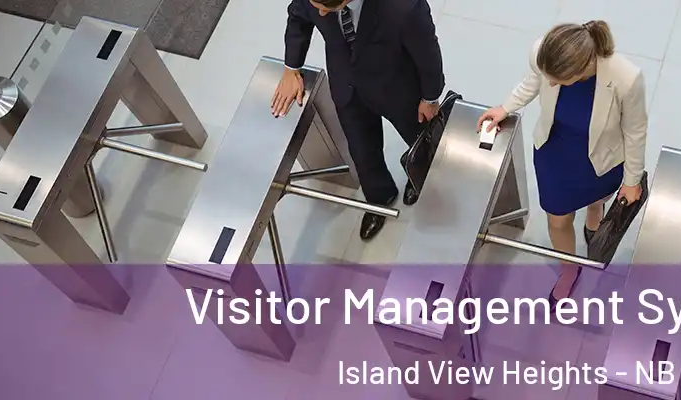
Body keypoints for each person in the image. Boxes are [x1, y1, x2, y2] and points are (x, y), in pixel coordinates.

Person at [477, 21, 647, 304]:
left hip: (601, 159)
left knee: (598, 199)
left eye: (558, 80)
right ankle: (569, 269)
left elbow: (635, 131)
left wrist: (632, 180)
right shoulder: (543, 51)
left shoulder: (625, 78)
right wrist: (505, 107)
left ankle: (594, 214)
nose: (552, 84)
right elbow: (534, 80)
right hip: (555, 151)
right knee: (557, 220)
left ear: (580, 71)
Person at [273, 0, 445, 240]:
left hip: (397, 85)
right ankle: (379, 197)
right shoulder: (315, 0)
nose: (320, 12)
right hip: (347, 85)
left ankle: (419, 179)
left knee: (419, 139)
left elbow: (427, 51)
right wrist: (291, 68)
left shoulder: (404, 6)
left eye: (326, 9)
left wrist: (430, 97)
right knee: (362, 151)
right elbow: (298, 15)